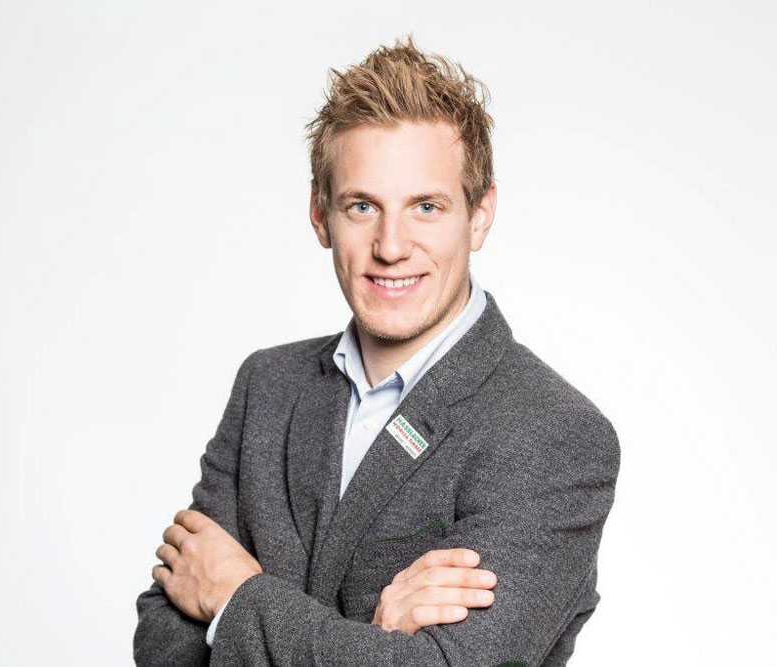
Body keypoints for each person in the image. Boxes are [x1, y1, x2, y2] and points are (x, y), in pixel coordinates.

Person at [133, 35, 620, 666]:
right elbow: (162, 643)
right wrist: (374, 638)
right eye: (362, 206)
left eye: (426, 207)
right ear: (321, 215)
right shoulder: (267, 386)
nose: (391, 246)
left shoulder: (554, 434)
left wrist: (234, 598)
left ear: (479, 215)